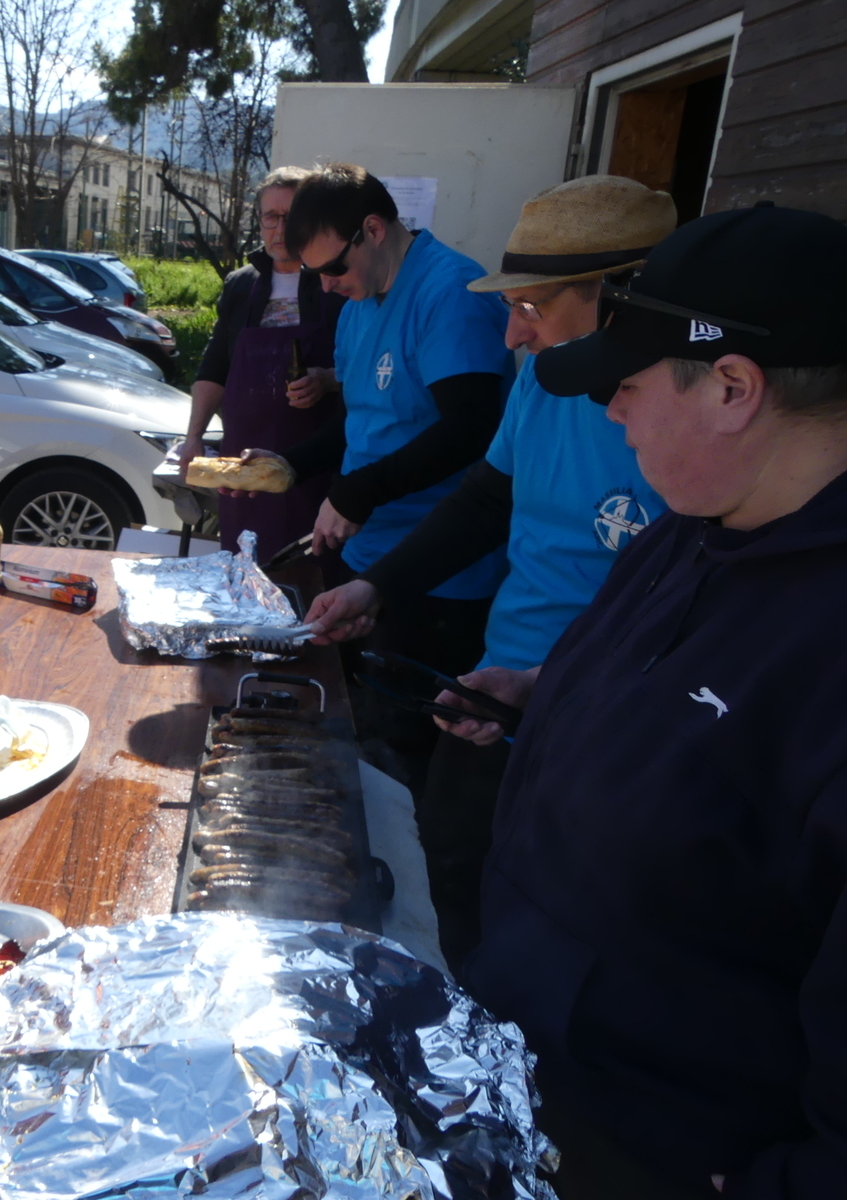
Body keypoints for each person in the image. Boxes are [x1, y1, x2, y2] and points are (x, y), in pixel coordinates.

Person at [452, 205, 847, 1199]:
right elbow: (679, 715)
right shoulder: (690, 527)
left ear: (731, 388)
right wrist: (540, 698)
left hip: (649, 1151)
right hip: (519, 1070)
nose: (610, 413)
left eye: (625, 386)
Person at [298, 176, 676, 967]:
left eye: (531, 306)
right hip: (496, 685)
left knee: (550, 936)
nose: (511, 335)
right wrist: (379, 585)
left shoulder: (680, 424)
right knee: (444, 882)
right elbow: (483, 502)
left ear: (622, 300)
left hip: (603, 723)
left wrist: (548, 685)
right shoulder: (542, 378)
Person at [236, 164, 513, 790]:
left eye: (334, 267)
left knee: (409, 756)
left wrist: (360, 492)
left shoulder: (451, 293)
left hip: (437, 575)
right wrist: (287, 466)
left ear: (374, 229)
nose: (328, 286)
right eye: (315, 274)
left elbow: (471, 428)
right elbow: (361, 420)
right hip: (367, 562)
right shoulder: (359, 304)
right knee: (362, 735)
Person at [175, 165, 344, 558]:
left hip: (315, 465)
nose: (281, 229)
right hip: (245, 468)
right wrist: (194, 435)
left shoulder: (335, 284)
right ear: (259, 220)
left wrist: (328, 379)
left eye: (292, 216)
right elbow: (215, 367)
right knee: (245, 567)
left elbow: (367, 369)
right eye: (271, 217)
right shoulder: (241, 285)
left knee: (309, 571)